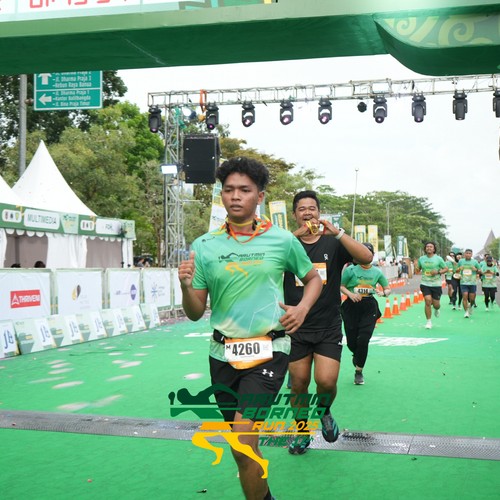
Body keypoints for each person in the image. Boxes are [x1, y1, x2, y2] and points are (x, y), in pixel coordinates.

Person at [178, 157, 322, 500]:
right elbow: (195, 312)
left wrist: (302, 308)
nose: (235, 196)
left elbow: (313, 278)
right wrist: (184, 286)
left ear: (260, 196)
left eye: (244, 189)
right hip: (222, 355)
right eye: (229, 190)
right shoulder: (205, 245)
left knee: (243, 441)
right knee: (243, 448)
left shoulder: (282, 240)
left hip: (270, 351)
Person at [283, 190, 372, 455]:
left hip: (328, 326)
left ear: (319, 213)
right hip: (295, 326)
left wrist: (338, 233)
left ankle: (324, 411)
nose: (307, 213)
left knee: (326, 382)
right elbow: (266, 260)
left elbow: (366, 258)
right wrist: (293, 237)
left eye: (312, 208)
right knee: (299, 383)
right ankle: (302, 432)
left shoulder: (332, 243)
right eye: (302, 209)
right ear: (294, 214)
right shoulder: (286, 243)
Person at [340, 242, 391, 385]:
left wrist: (384, 293)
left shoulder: (377, 272)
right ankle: (357, 355)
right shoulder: (350, 270)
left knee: (363, 339)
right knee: (352, 342)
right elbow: (341, 286)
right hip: (351, 306)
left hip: (369, 307)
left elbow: (387, 288)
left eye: (368, 253)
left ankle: (359, 371)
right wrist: (350, 294)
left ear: (372, 255)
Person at [415, 241, 448, 329]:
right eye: (427, 247)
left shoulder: (438, 259)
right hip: (425, 283)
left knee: (436, 304)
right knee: (428, 301)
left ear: (434, 249)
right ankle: (428, 321)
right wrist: (416, 266)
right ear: (425, 249)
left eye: (431, 247)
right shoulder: (422, 259)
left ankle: (436, 309)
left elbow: (446, 269)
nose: (429, 248)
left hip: (436, 284)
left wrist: (438, 272)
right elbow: (417, 271)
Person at [457, 249, 482, 318]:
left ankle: (470, 306)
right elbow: (456, 270)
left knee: (472, 299)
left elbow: (480, 271)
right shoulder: (461, 261)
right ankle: (466, 312)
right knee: (464, 296)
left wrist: (476, 270)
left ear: (471, 254)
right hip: (463, 282)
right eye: (467, 253)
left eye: (469, 253)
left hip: (472, 282)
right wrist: (459, 269)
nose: (468, 254)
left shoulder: (475, 262)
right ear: (464, 254)